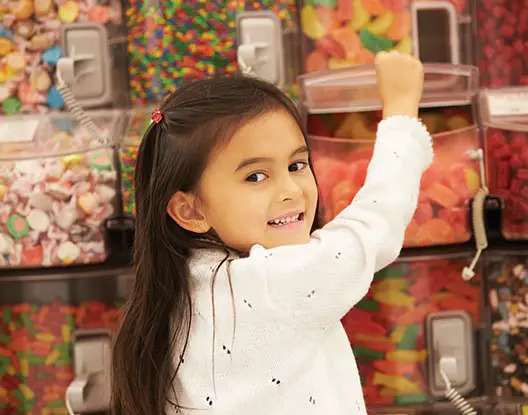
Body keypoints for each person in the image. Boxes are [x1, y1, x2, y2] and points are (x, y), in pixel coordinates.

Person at [111, 51, 433, 414]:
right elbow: (375, 223)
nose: (291, 190)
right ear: (190, 210)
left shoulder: (183, 278)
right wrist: (401, 111)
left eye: (297, 165)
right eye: (255, 176)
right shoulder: (273, 283)